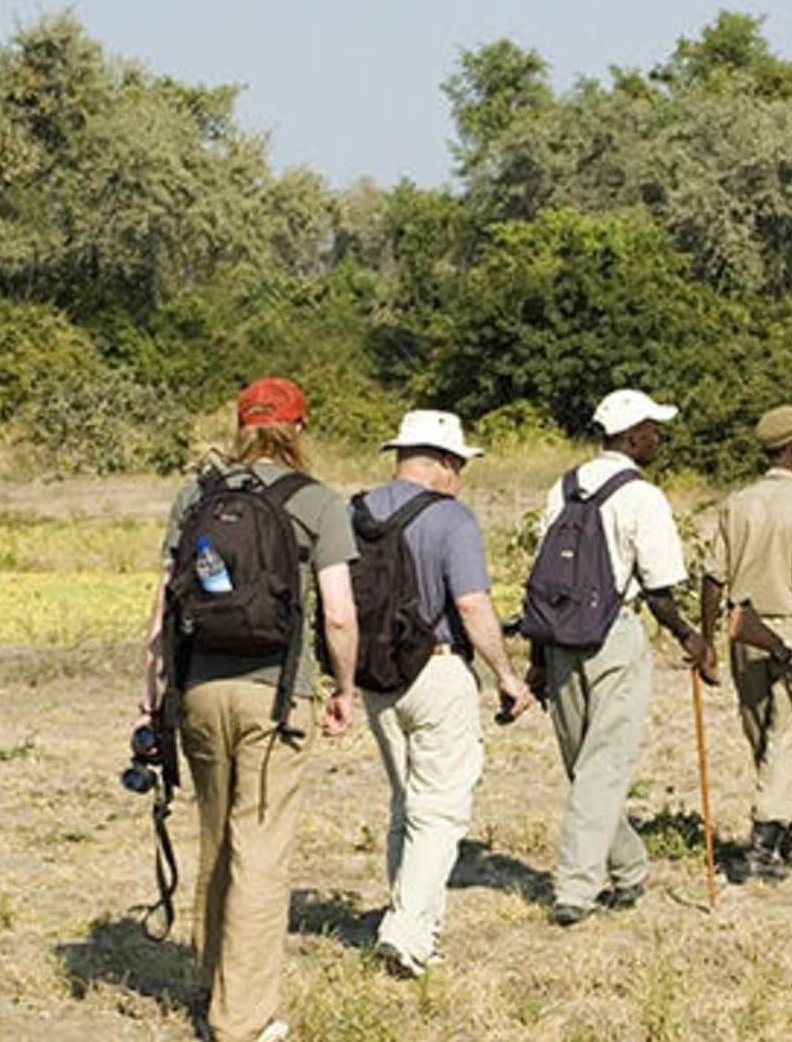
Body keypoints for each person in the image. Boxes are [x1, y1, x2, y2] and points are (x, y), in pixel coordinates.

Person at [140, 376, 358, 1042]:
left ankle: (213, 978)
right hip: (277, 694)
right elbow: (341, 616)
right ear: (300, 427)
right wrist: (344, 689)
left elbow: (162, 611)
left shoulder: (197, 496)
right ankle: (240, 1019)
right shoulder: (318, 502)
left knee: (217, 837)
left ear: (241, 426)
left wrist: (152, 700)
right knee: (261, 848)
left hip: (201, 689)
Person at [527, 388, 713, 926]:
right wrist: (690, 638)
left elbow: (545, 581)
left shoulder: (560, 489)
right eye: (653, 429)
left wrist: (539, 658)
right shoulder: (642, 496)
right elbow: (658, 589)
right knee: (602, 768)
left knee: (587, 767)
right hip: (614, 634)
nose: (658, 437)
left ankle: (629, 872)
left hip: (560, 639)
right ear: (632, 437)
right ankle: (576, 890)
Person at [360, 410, 534, 977]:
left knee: (406, 803)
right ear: (441, 461)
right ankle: (407, 932)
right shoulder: (451, 518)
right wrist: (506, 674)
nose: (461, 474)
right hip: (437, 668)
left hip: (376, 676)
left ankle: (420, 925)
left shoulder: (354, 511)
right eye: (459, 463)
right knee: (440, 810)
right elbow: (471, 604)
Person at [699, 404, 792, 882]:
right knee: (786, 738)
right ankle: (761, 844)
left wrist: (709, 640)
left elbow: (713, 578)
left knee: (764, 735)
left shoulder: (737, 503)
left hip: (744, 630)